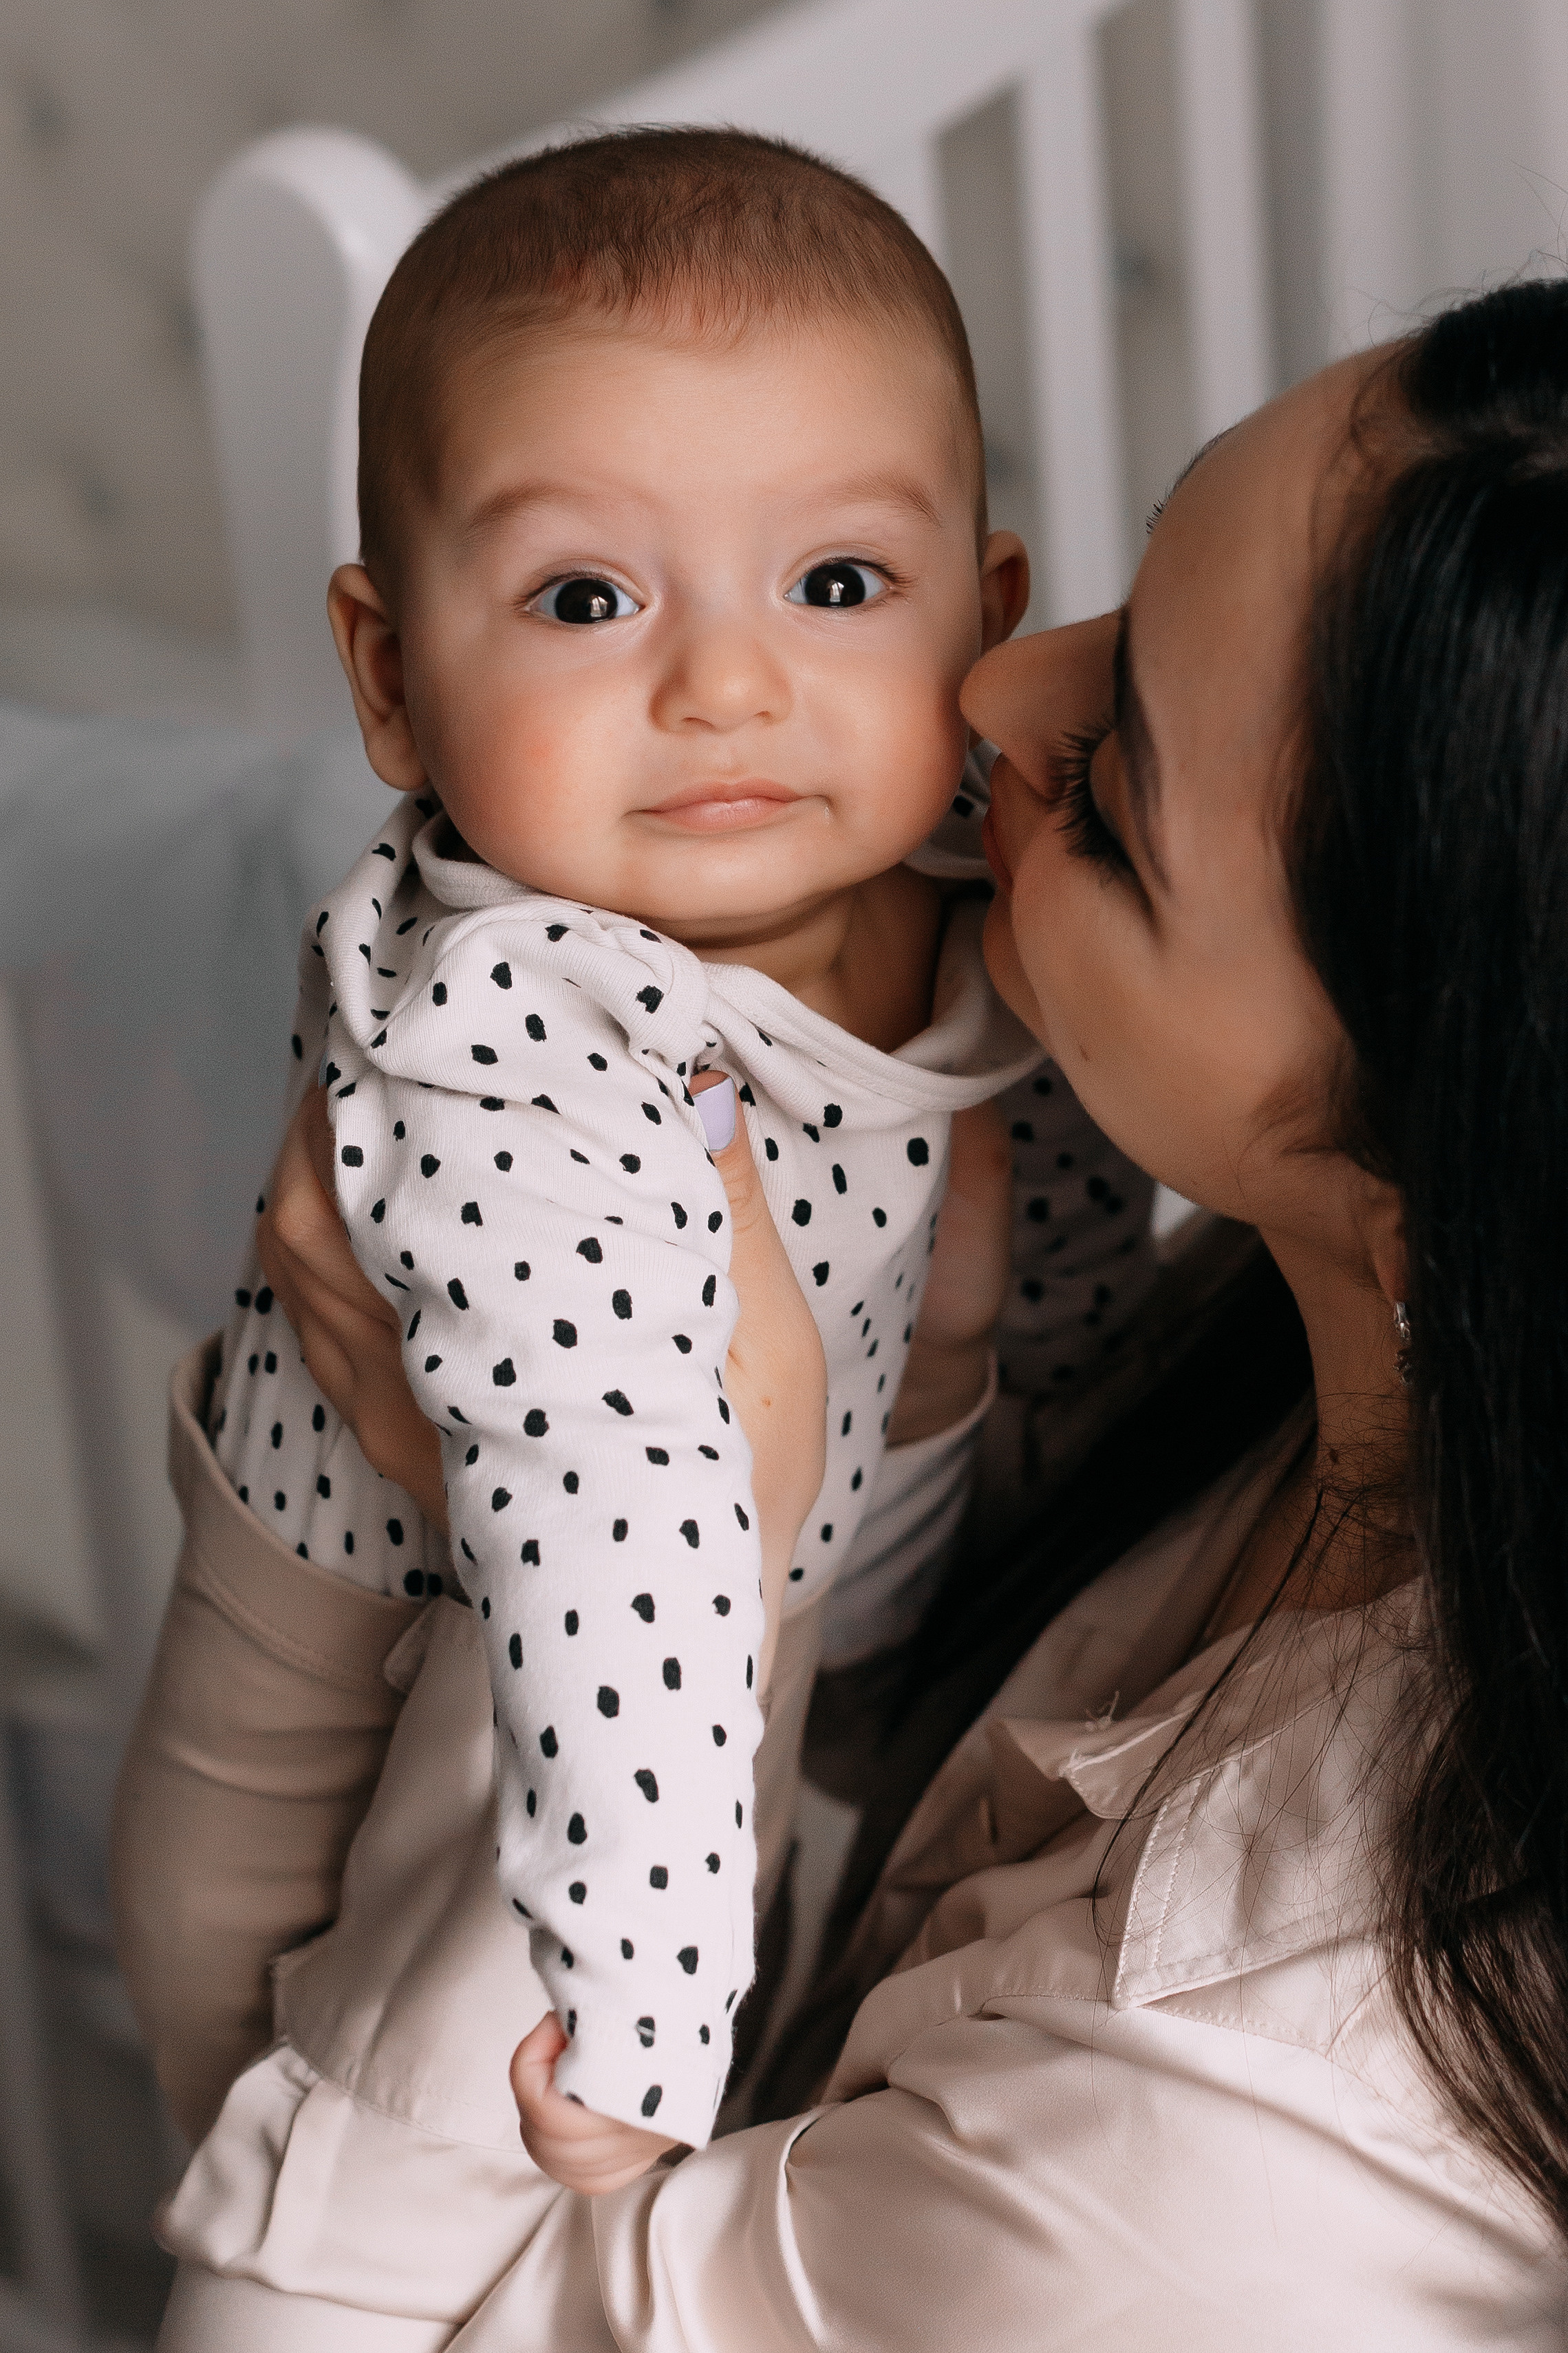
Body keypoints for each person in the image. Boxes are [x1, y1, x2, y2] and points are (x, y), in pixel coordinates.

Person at [128, 278, 1568, 2344]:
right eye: (1118, 587)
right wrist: (916, 1406)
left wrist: (717, 1537)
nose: (989, 701)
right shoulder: (1353, 1374)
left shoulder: (1240, 2153)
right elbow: (945, 1772)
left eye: (1117, 788)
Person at [197, 122, 1158, 2184]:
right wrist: (646, 1996)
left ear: (980, 616)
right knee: (241, 2021)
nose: (727, 684)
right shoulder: (522, 1021)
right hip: (342, 1629)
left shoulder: (988, 880)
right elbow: (595, 1495)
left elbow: (1074, 1204)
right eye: (583, 595)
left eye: (834, 583)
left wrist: (1065, 1431)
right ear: (390, 674)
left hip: (765, 1626)